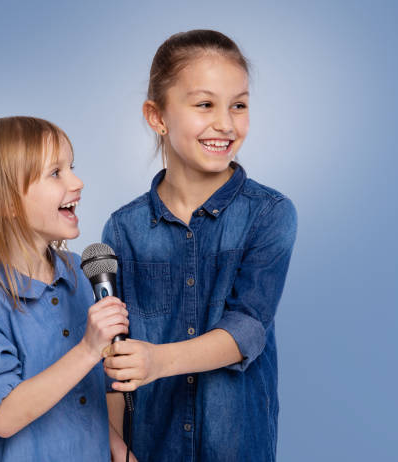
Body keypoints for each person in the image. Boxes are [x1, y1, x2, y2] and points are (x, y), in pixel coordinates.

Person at [101, 30, 297, 461]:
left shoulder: (270, 214)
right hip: (151, 448)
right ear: (157, 116)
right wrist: (116, 444)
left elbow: (247, 329)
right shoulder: (122, 229)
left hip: (237, 447)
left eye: (239, 105)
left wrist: (156, 361)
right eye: (205, 104)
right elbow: (114, 355)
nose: (226, 124)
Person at [0, 116, 131, 461]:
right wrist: (88, 349)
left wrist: (115, 445)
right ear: (7, 202)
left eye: (71, 167)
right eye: (56, 173)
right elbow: (2, 416)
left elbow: (96, 390)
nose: (77, 181)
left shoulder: (79, 275)